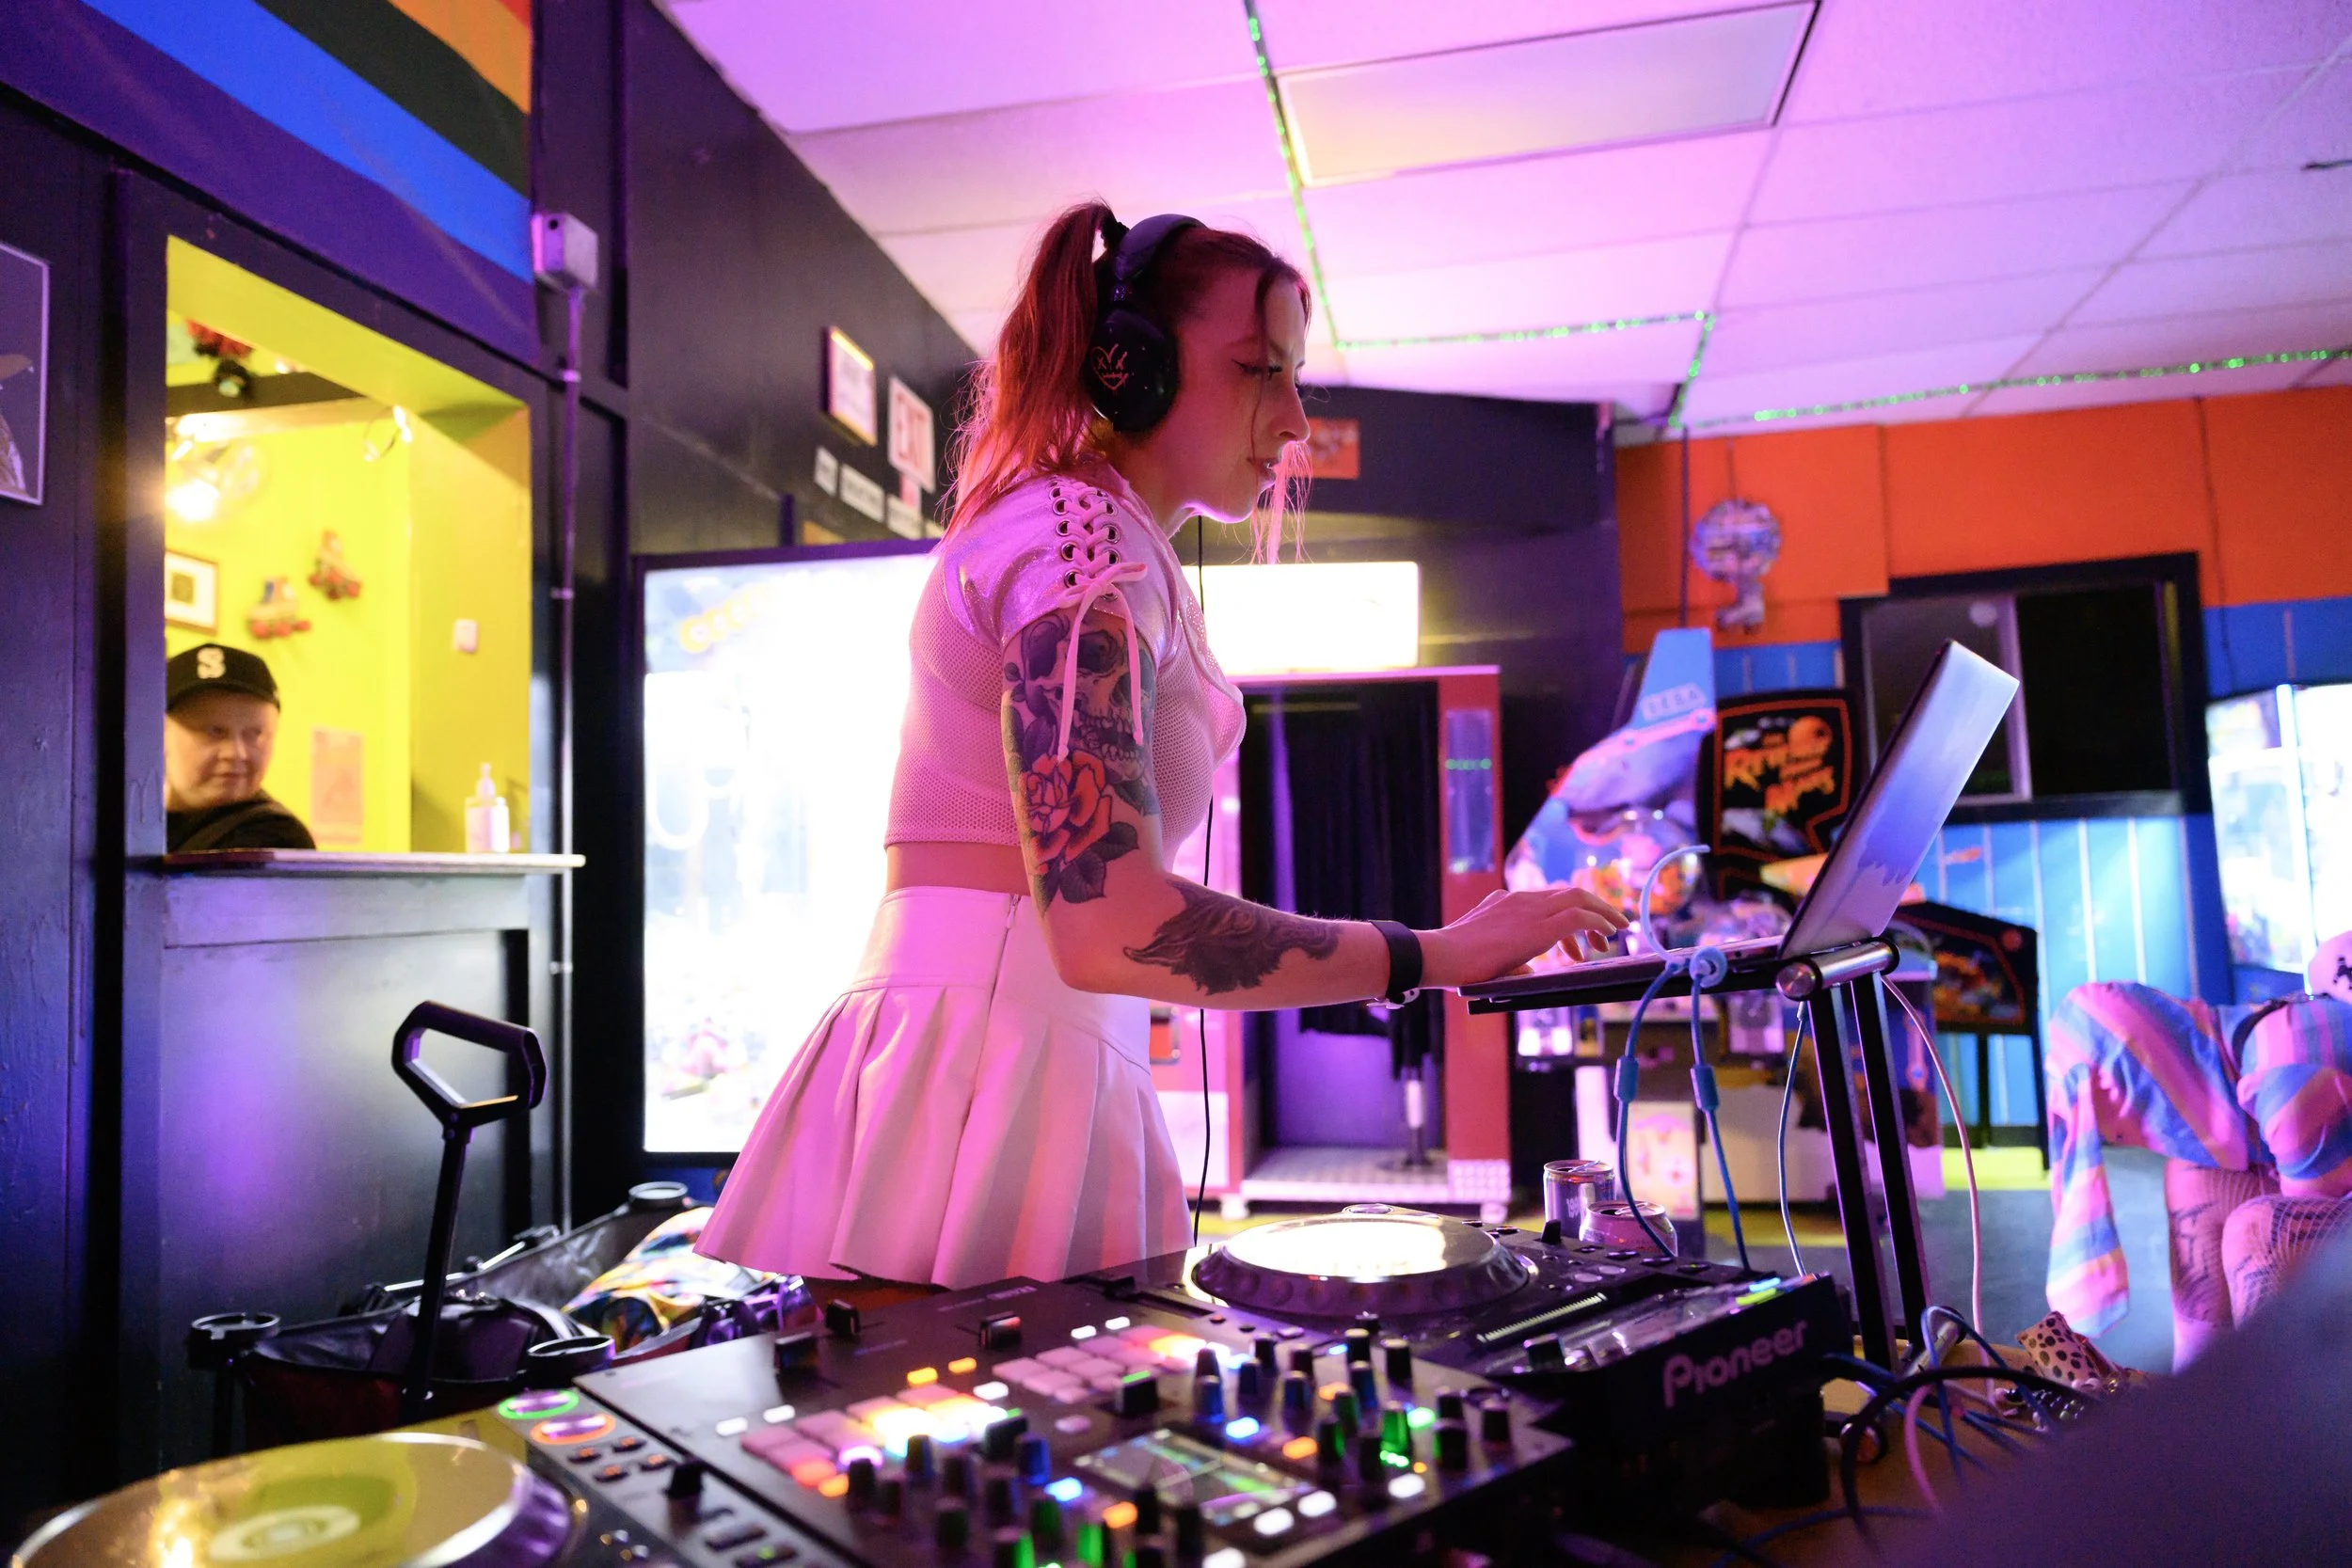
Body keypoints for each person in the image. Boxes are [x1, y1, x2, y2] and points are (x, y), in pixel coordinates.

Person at [697, 203, 1625, 1298]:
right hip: (991, 1051)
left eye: (1293, 377)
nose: (1293, 421)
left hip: (1007, 1043)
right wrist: (1430, 952)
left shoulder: (1093, 538)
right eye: (1257, 369)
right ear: (1129, 368)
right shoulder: (1077, 545)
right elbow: (1112, 921)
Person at [165, 642, 317, 852]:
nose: (236, 753)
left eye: (255, 734)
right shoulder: (132, 821)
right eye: (214, 731)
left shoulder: (274, 838)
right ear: (159, 733)